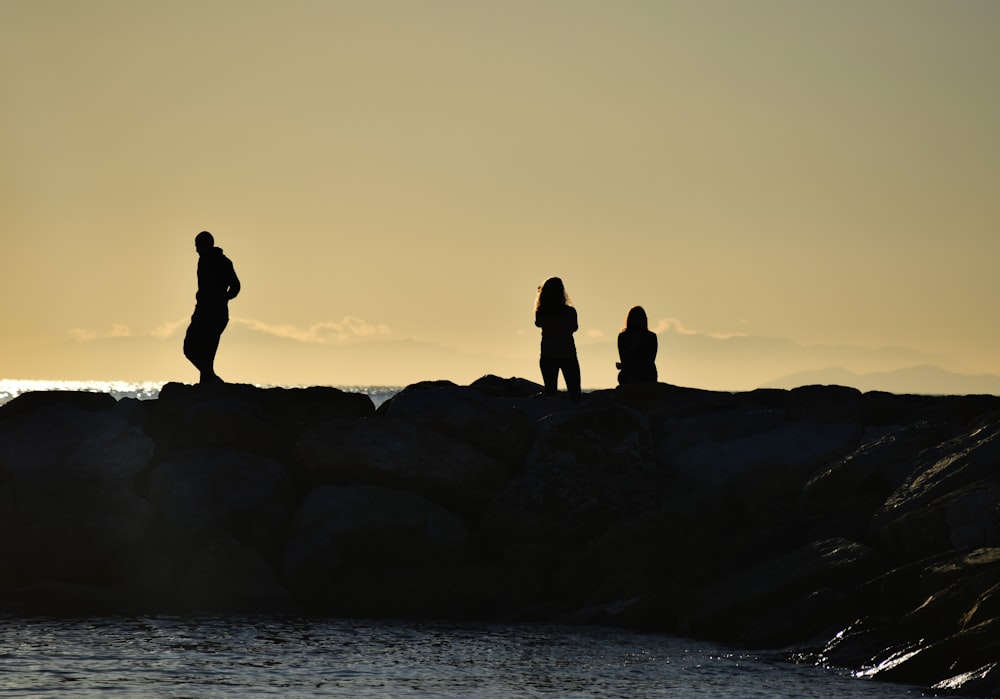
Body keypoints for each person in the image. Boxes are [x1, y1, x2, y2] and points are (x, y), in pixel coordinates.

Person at [183, 230, 240, 385]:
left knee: (196, 349)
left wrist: (223, 298)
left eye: (197, 245)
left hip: (212, 313)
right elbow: (235, 286)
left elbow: (235, 286)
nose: (196, 249)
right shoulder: (209, 260)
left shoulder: (218, 261)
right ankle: (209, 380)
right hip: (207, 311)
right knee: (197, 350)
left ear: (205, 245)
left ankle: (210, 380)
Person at [534, 277, 581, 400]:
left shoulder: (541, 311)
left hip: (548, 354)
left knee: (550, 392)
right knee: (575, 392)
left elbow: (538, 323)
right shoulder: (570, 312)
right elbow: (574, 327)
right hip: (568, 354)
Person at [616, 305, 658, 385]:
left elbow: (650, 359)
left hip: (646, 374)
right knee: (625, 375)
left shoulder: (651, 337)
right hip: (629, 373)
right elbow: (624, 358)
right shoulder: (623, 337)